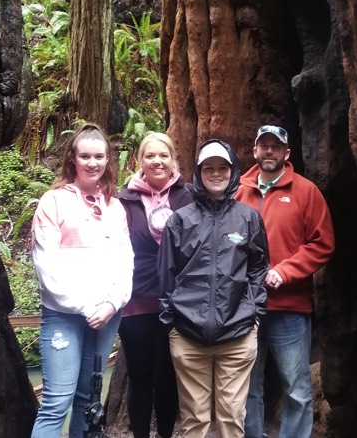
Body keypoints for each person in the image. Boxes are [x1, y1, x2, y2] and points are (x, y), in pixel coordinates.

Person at [157, 139, 269, 438]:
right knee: (195, 419)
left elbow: (259, 266)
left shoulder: (248, 218)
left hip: (238, 332)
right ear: (199, 172)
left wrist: (254, 312)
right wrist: (172, 321)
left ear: (233, 172)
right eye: (209, 168)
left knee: (232, 417)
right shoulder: (180, 220)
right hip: (188, 335)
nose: (216, 173)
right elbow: (166, 274)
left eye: (223, 167)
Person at [30, 124, 134, 437]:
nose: (92, 163)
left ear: (107, 161)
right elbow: (46, 264)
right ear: (73, 159)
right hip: (64, 316)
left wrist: (112, 303)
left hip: (107, 315)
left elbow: (125, 261)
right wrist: (85, 305)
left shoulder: (115, 207)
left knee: (87, 399)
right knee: (56, 402)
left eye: (99, 156)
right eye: (85, 156)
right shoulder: (54, 201)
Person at [236, 125, 335, 438]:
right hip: (245, 308)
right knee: (247, 385)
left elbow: (322, 243)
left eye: (275, 147)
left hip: (289, 307)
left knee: (296, 387)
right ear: (255, 150)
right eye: (263, 146)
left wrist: (285, 270)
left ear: (286, 153)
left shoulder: (305, 192)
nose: (269, 152)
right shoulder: (238, 190)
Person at [118, 132, 194, 437]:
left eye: (163, 155)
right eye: (150, 155)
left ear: (173, 159)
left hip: (177, 303)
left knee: (168, 376)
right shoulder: (125, 201)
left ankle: (165, 434)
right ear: (140, 162)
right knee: (140, 376)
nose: (157, 161)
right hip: (136, 302)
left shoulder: (188, 197)